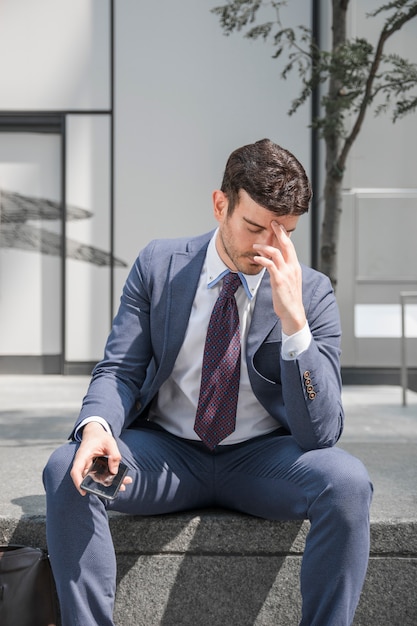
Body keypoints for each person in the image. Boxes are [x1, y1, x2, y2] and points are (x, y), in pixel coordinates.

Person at [43, 138, 373, 626]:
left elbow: (320, 434)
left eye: (284, 233)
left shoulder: (312, 292)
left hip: (262, 460)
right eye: (255, 226)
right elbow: (121, 369)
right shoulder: (160, 265)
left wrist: (294, 325)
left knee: (347, 483)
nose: (267, 245)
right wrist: (96, 427)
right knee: (67, 470)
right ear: (222, 205)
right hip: (167, 455)